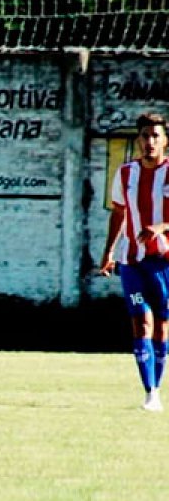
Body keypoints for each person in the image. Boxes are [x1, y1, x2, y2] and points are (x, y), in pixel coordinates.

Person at [100, 112, 169, 413]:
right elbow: (119, 213)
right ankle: (150, 393)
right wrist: (108, 252)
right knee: (141, 322)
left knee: (162, 327)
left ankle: (158, 386)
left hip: (164, 262)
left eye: (155, 136)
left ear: (165, 141)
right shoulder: (126, 173)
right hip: (132, 262)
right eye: (144, 136)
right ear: (138, 140)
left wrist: (162, 227)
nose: (149, 141)